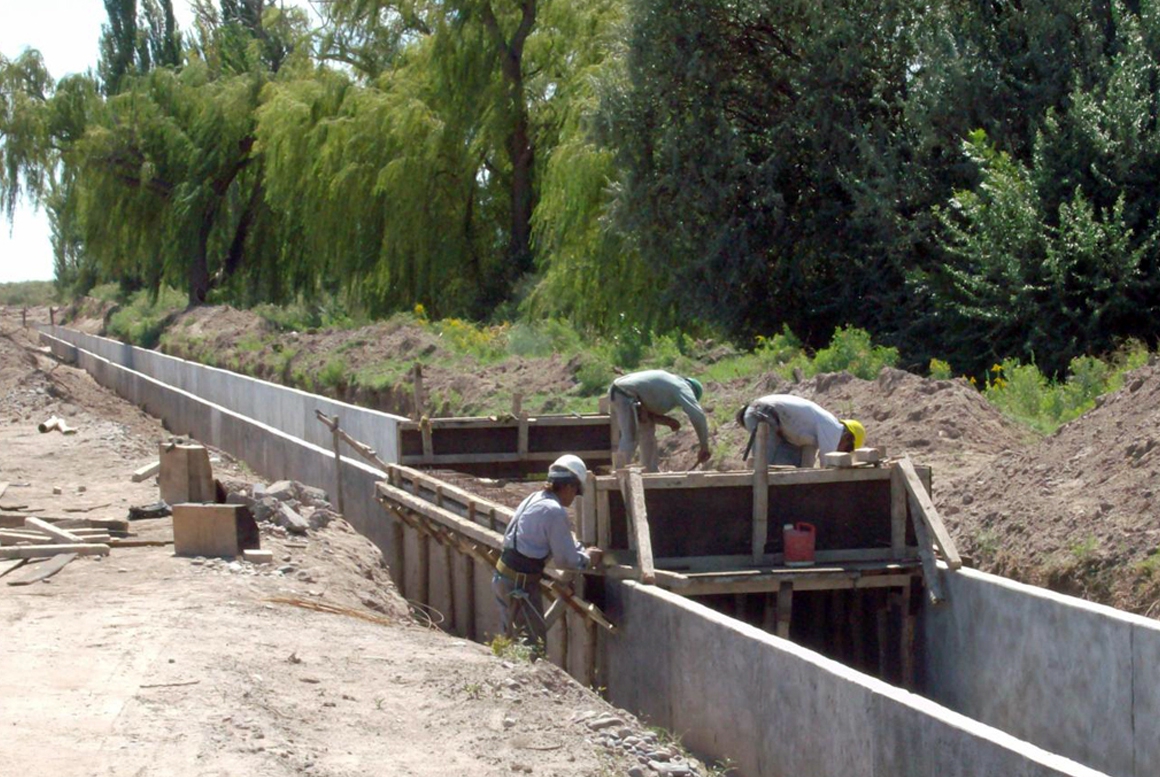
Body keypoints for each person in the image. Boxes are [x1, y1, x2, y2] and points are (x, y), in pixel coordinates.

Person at [492, 454, 604, 652]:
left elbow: (560, 541)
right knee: (531, 646)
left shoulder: (536, 499)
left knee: (511, 638)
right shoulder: (554, 511)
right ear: (569, 486)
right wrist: (587, 558)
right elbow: (566, 560)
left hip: (505, 577)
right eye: (576, 491)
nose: (575, 496)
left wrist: (579, 549)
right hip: (520, 585)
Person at [609, 370, 711, 472]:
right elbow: (698, 415)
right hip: (625, 394)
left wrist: (667, 421)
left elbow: (648, 414)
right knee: (630, 437)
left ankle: (649, 470)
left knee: (647, 430)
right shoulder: (683, 387)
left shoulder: (668, 384)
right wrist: (704, 446)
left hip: (620, 391)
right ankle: (618, 473)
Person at [736, 394, 866, 468]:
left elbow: (805, 467)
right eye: (848, 449)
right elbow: (827, 466)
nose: (843, 453)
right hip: (763, 414)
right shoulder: (833, 429)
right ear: (848, 437)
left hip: (766, 415)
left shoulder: (815, 432)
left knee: (791, 465)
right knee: (765, 468)